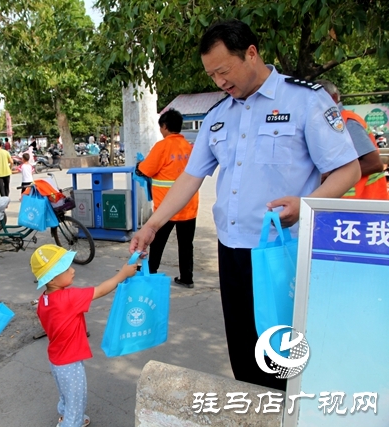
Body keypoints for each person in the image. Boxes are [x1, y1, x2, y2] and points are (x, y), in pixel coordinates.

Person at [129, 20, 360, 391]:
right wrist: (153, 224)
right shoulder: (219, 116)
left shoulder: (304, 100)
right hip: (233, 248)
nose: (219, 82)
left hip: (283, 250)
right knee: (245, 351)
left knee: (287, 355)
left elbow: (347, 169)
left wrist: (306, 204)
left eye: (224, 70)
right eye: (212, 74)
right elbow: (191, 177)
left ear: (251, 53)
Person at [30, 244, 137, 427]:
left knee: (66, 394)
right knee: (76, 400)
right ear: (53, 279)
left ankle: (65, 416)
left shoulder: (44, 300)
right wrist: (123, 274)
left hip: (56, 358)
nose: (72, 270)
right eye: (66, 269)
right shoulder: (69, 298)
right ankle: (71, 422)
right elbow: (101, 290)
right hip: (70, 361)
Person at [137, 109, 199, 287]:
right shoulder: (189, 147)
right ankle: (187, 278)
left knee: (156, 242)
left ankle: (151, 271)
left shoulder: (162, 146)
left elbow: (146, 170)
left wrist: (138, 165)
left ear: (164, 126)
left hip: (167, 208)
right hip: (189, 205)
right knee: (186, 245)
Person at [317, 80, 387, 200]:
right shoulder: (332, 122)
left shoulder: (347, 122)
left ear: (333, 98)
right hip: (354, 203)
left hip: (364, 201)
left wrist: (330, 175)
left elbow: (375, 164)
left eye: (319, 99)